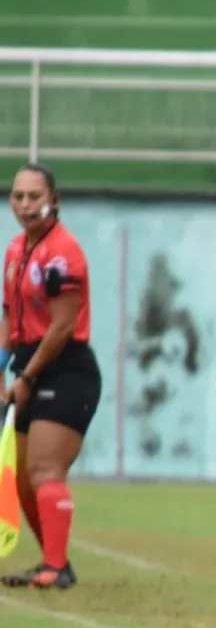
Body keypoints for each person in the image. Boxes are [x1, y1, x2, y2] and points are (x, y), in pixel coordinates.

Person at [1, 162, 101, 590]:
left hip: (66, 367)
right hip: (28, 363)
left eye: (34, 196)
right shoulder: (15, 251)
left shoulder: (63, 253)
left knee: (45, 467)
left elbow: (62, 327)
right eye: (18, 196)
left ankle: (56, 569)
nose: (25, 204)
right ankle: (53, 561)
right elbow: (8, 314)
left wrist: (26, 378)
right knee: (20, 477)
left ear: (53, 201)